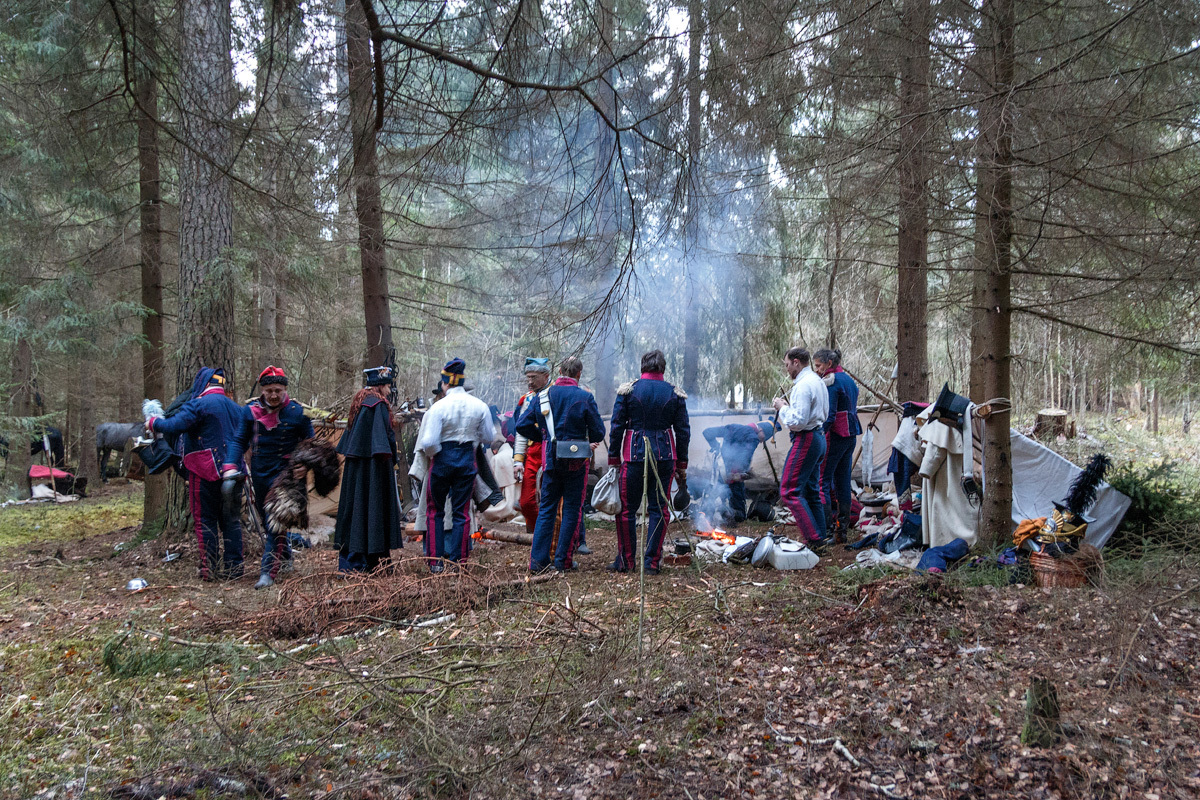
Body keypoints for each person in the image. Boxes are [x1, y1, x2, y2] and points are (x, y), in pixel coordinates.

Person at [146, 367, 251, 580]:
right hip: (234, 472)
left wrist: (153, 422)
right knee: (231, 521)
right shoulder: (237, 408)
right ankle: (234, 569)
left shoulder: (198, 404)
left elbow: (173, 426)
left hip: (204, 471)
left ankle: (209, 568)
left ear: (202, 384)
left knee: (206, 520)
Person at [517, 356, 605, 573]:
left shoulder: (543, 395)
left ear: (559, 372)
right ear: (578, 374)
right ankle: (563, 561)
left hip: (550, 462)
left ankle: (537, 562)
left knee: (546, 508)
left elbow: (521, 424)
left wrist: (543, 437)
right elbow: (598, 433)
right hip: (577, 463)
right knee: (572, 510)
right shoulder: (585, 397)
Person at [608, 350, 690, 574]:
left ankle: (625, 561)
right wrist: (682, 464)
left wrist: (614, 458)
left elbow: (617, 427)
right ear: (662, 368)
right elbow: (683, 431)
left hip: (633, 456)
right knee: (659, 509)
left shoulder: (628, 391)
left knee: (626, 510)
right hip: (665, 457)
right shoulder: (674, 393)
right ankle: (652, 563)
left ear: (642, 366)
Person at [417, 358, 495, 572]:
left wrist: (438, 456)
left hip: (442, 459)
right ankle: (460, 563)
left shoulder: (438, 407)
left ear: (444, 383)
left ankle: (435, 563)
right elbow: (489, 436)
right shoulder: (479, 406)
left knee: (435, 511)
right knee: (461, 513)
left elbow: (429, 442)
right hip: (466, 459)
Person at [243, 366, 315, 589]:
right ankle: (285, 559)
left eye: (278, 390)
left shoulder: (298, 412)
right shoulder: (249, 411)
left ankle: (267, 573)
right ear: (262, 390)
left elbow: (310, 443)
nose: (273, 395)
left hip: (288, 475)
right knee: (267, 521)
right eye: (269, 390)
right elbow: (240, 439)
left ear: (284, 389)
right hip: (259, 472)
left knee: (276, 521)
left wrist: (304, 464)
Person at [333, 366, 404, 573]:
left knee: (356, 509)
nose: (390, 391)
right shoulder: (378, 405)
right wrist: (394, 459)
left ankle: (352, 563)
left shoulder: (359, 404)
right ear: (380, 386)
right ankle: (374, 562)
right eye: (388, 386)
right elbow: (388, 437)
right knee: (373, 509)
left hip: (356, 470)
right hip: (375, 470)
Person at [772, 347, 829, 547]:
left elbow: (798, 421)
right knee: (811, 490)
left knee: (789, 491)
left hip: (806, 439)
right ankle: (820, 535)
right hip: (818, 438)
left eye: (787, 364)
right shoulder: (817, 381)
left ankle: (814, 540)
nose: (786, 369)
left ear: (796, 362)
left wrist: (782, 407)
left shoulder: (804, 385)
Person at [813, 348, 860, 540]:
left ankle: (825, 530)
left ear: (829, 364)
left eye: (818, 365)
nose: (816, 370)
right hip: (851, 435)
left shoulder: (831, 382)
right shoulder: (849, 380)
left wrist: (819, 434)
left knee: (822, 481)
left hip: (835, 435)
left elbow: (829, 415)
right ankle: (842, 532)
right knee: (842, 482)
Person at [702, 421, 776, 523]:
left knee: (712, 499)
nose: (761, 441)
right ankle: (727, 513)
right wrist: (740, 473)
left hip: (718, 471)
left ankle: (707, 515)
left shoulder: (733, 427)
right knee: (740, 514)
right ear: (761, 430)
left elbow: (707, 432)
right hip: (734, 476)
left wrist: (716, 448)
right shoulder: (753, 437)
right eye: (764, 437)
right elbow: (745, 458)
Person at [512, 357, 552, 533]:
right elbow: (521, 431)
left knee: (552, 499)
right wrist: (518, 460)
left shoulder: (555, 394)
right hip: (533, 452)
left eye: (534, 377)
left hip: (551, 450)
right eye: (528, 377)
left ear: (546, 375)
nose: (530, 381)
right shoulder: (527, 399)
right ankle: (538, 533)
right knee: (526, 501)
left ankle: (551, 535)